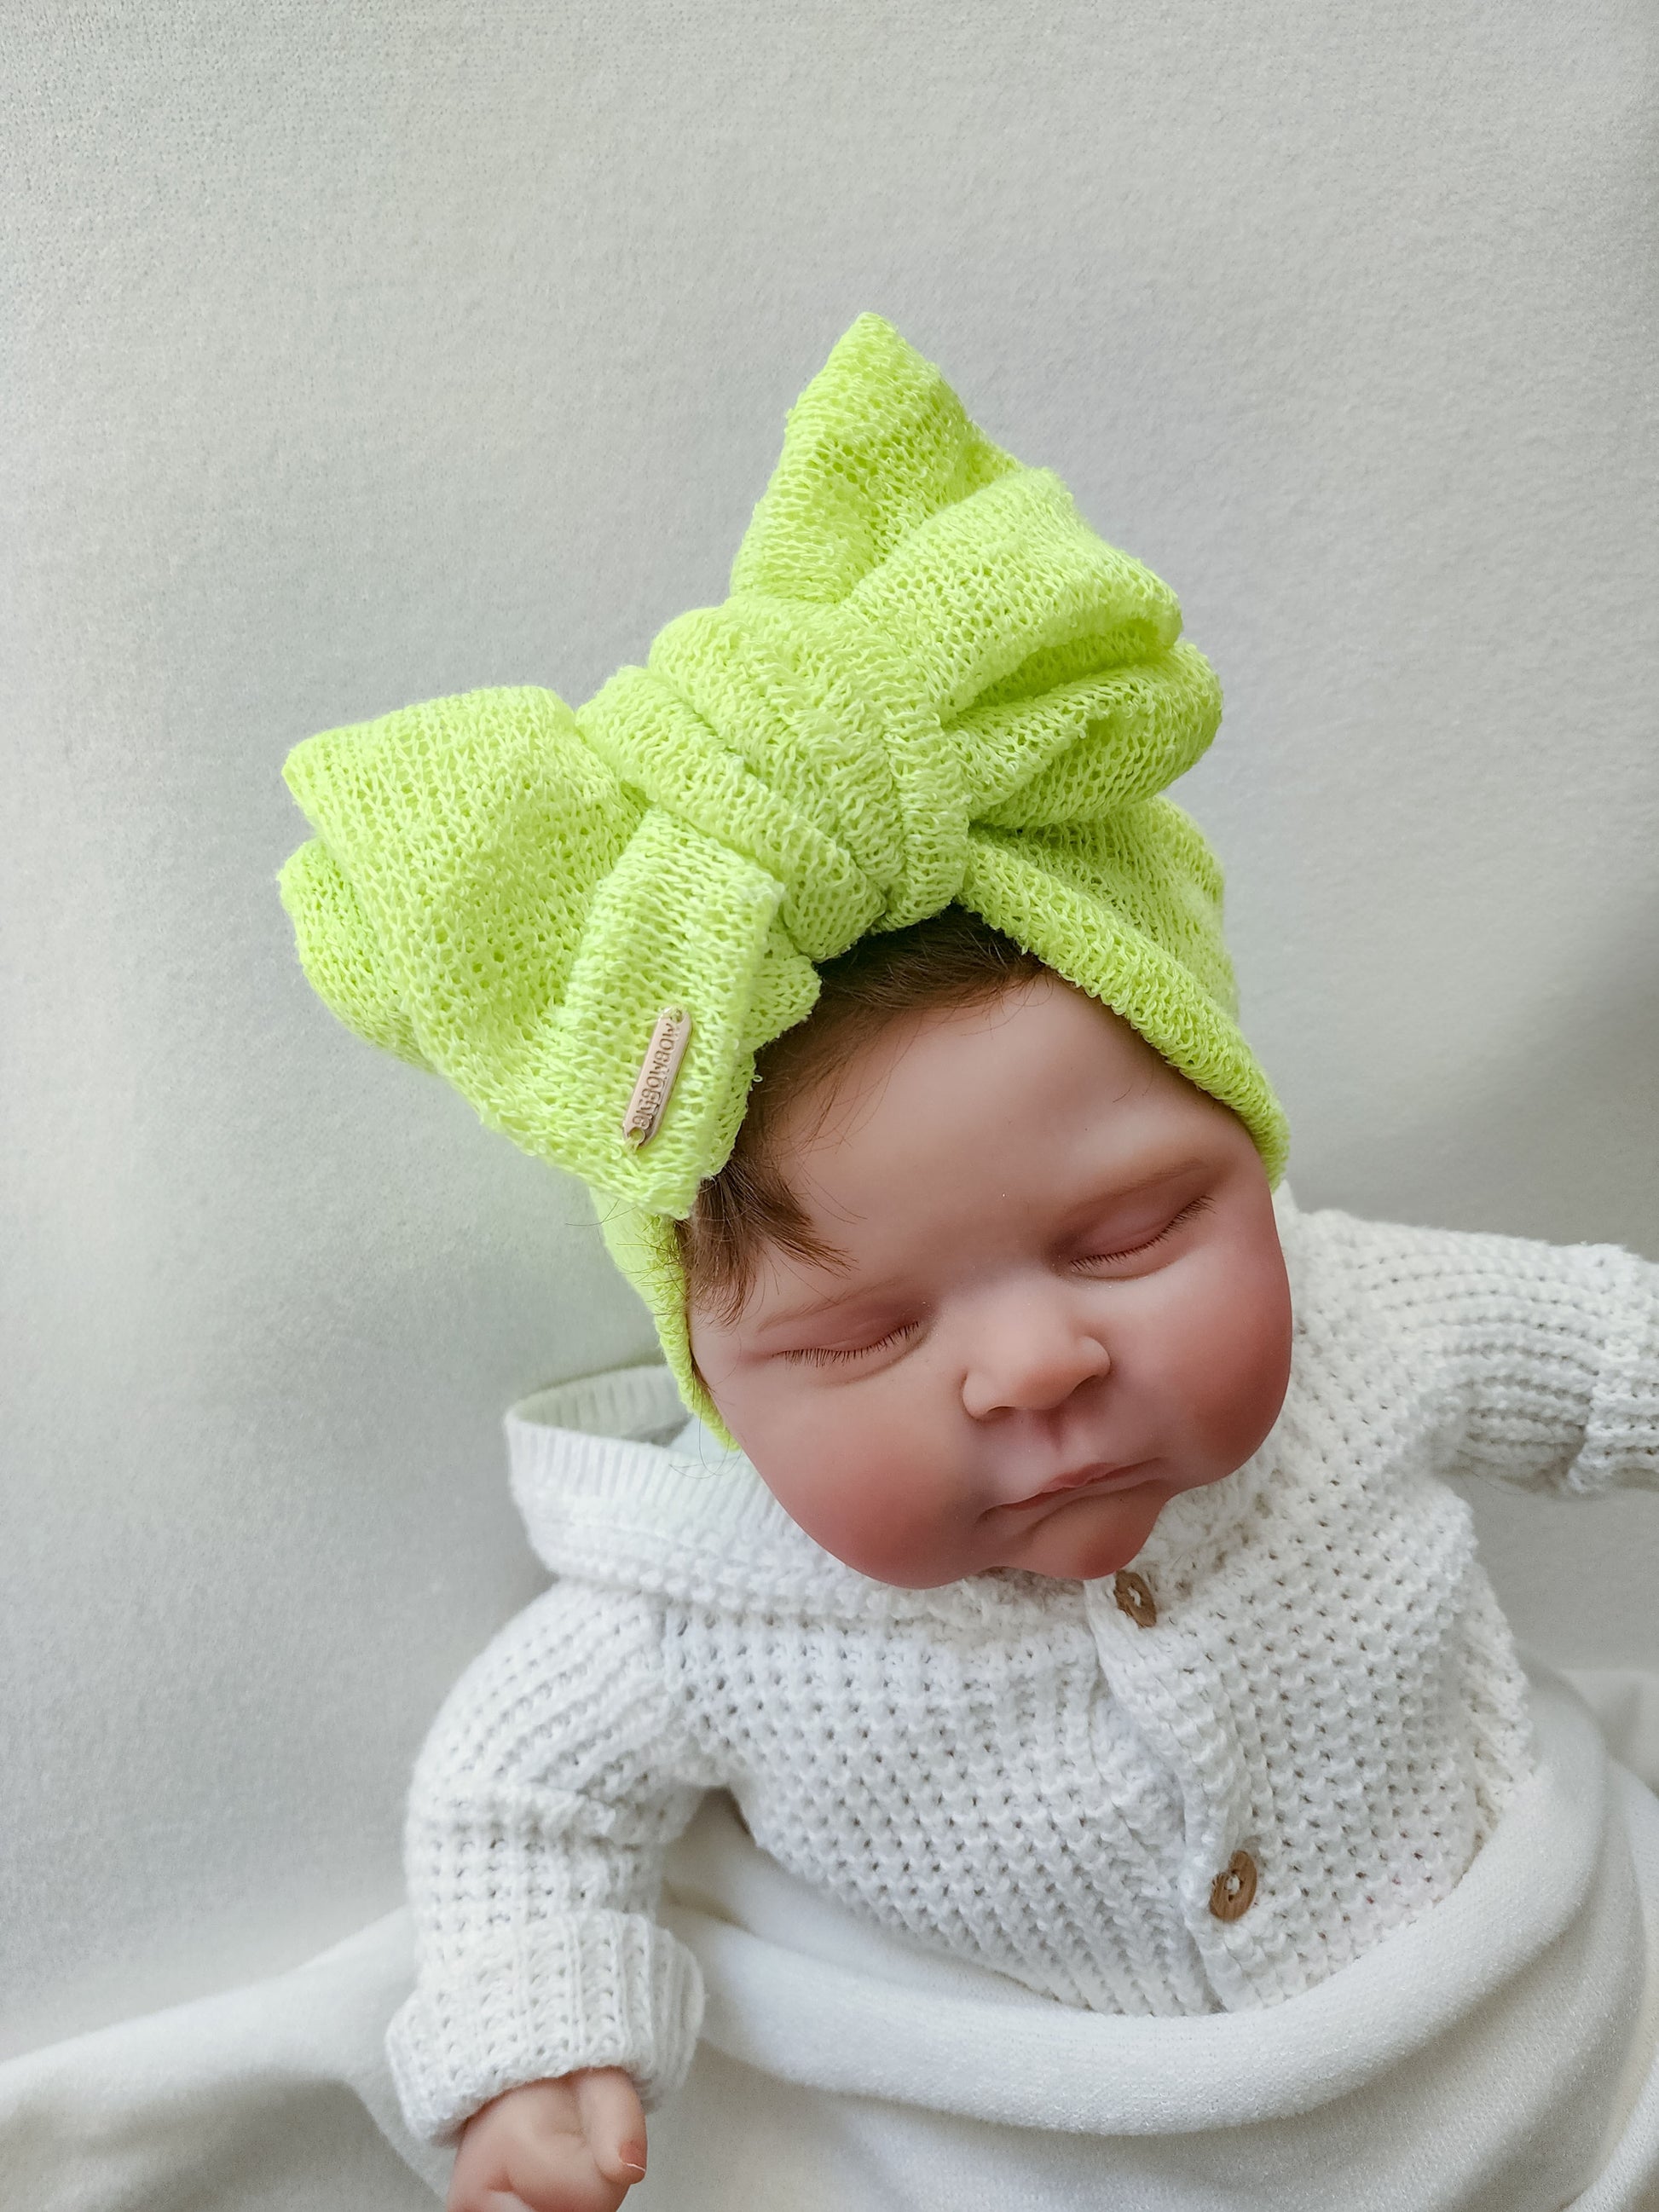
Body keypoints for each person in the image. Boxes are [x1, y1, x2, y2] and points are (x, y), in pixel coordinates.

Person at [278, 316, 1659, 2212]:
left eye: (1129, 1231)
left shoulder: (1371, 1322)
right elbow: (521, 1798)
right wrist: (539, 2045)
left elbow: (1607, 1345)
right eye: (859, 1332)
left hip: (1554, 2017)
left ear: (1249, 1161)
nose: (1030, 1364)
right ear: (711, 1370)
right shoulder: (700, 1596)